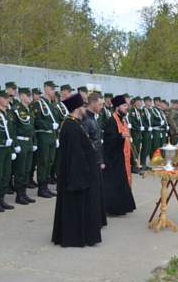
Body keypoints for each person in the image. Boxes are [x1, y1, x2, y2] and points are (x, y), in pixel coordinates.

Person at [52, 93, 102, 247]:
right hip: (76, 176)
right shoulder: (72, 126)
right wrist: (81, 178)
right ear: (76, 109)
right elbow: (75, 156)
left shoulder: (73, 123)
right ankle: (76, 236)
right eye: (81, 107)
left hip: (78, 173)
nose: (83, 109)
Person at [103, 95, 136, 216]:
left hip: (123, 156)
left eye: (126, 106)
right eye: (124, 106)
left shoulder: (123, 120)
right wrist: (120, 137)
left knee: (123, 182)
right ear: (117, 107)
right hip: (114, 157)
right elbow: (107, 140)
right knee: (115, 183)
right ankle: (115, 208)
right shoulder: (111, 121)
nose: (126, 108)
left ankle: (124, 206)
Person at [81, 92, 107, 227]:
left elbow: (97, 143)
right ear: (92, 104)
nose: (102, 107)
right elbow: (88, 144)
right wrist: (96, 161)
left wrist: (101, 160)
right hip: (90, 162)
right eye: (99, 104)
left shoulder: (93, 118)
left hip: (96, 160)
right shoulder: (85, 120)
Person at [33, 81, 60, 198]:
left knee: (50, 161)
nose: (53, 91)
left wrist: (57, 135)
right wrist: (49, 126)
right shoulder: (39, 103)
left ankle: (46, 185)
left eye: (54, 89)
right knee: (43, 161)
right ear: (46, 89)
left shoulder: (53, 104)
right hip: (43, 135)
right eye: (52, 89)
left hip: (52, 135)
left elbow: (58, 121)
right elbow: (37, 121)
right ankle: (42, 187)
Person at [13, 88, 37, 205]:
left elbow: (32, 128)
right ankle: (19, 195)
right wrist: (16, 145)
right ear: (21, 96)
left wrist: (34, 143)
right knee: (20, 170)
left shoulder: (30, 110)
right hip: (21, 142)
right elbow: (14, 129)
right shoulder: (16, 110)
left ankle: (24, 192)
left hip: (29, 142)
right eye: (27, 96)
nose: (29, 97)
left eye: (30, 95)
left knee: (27, 169)